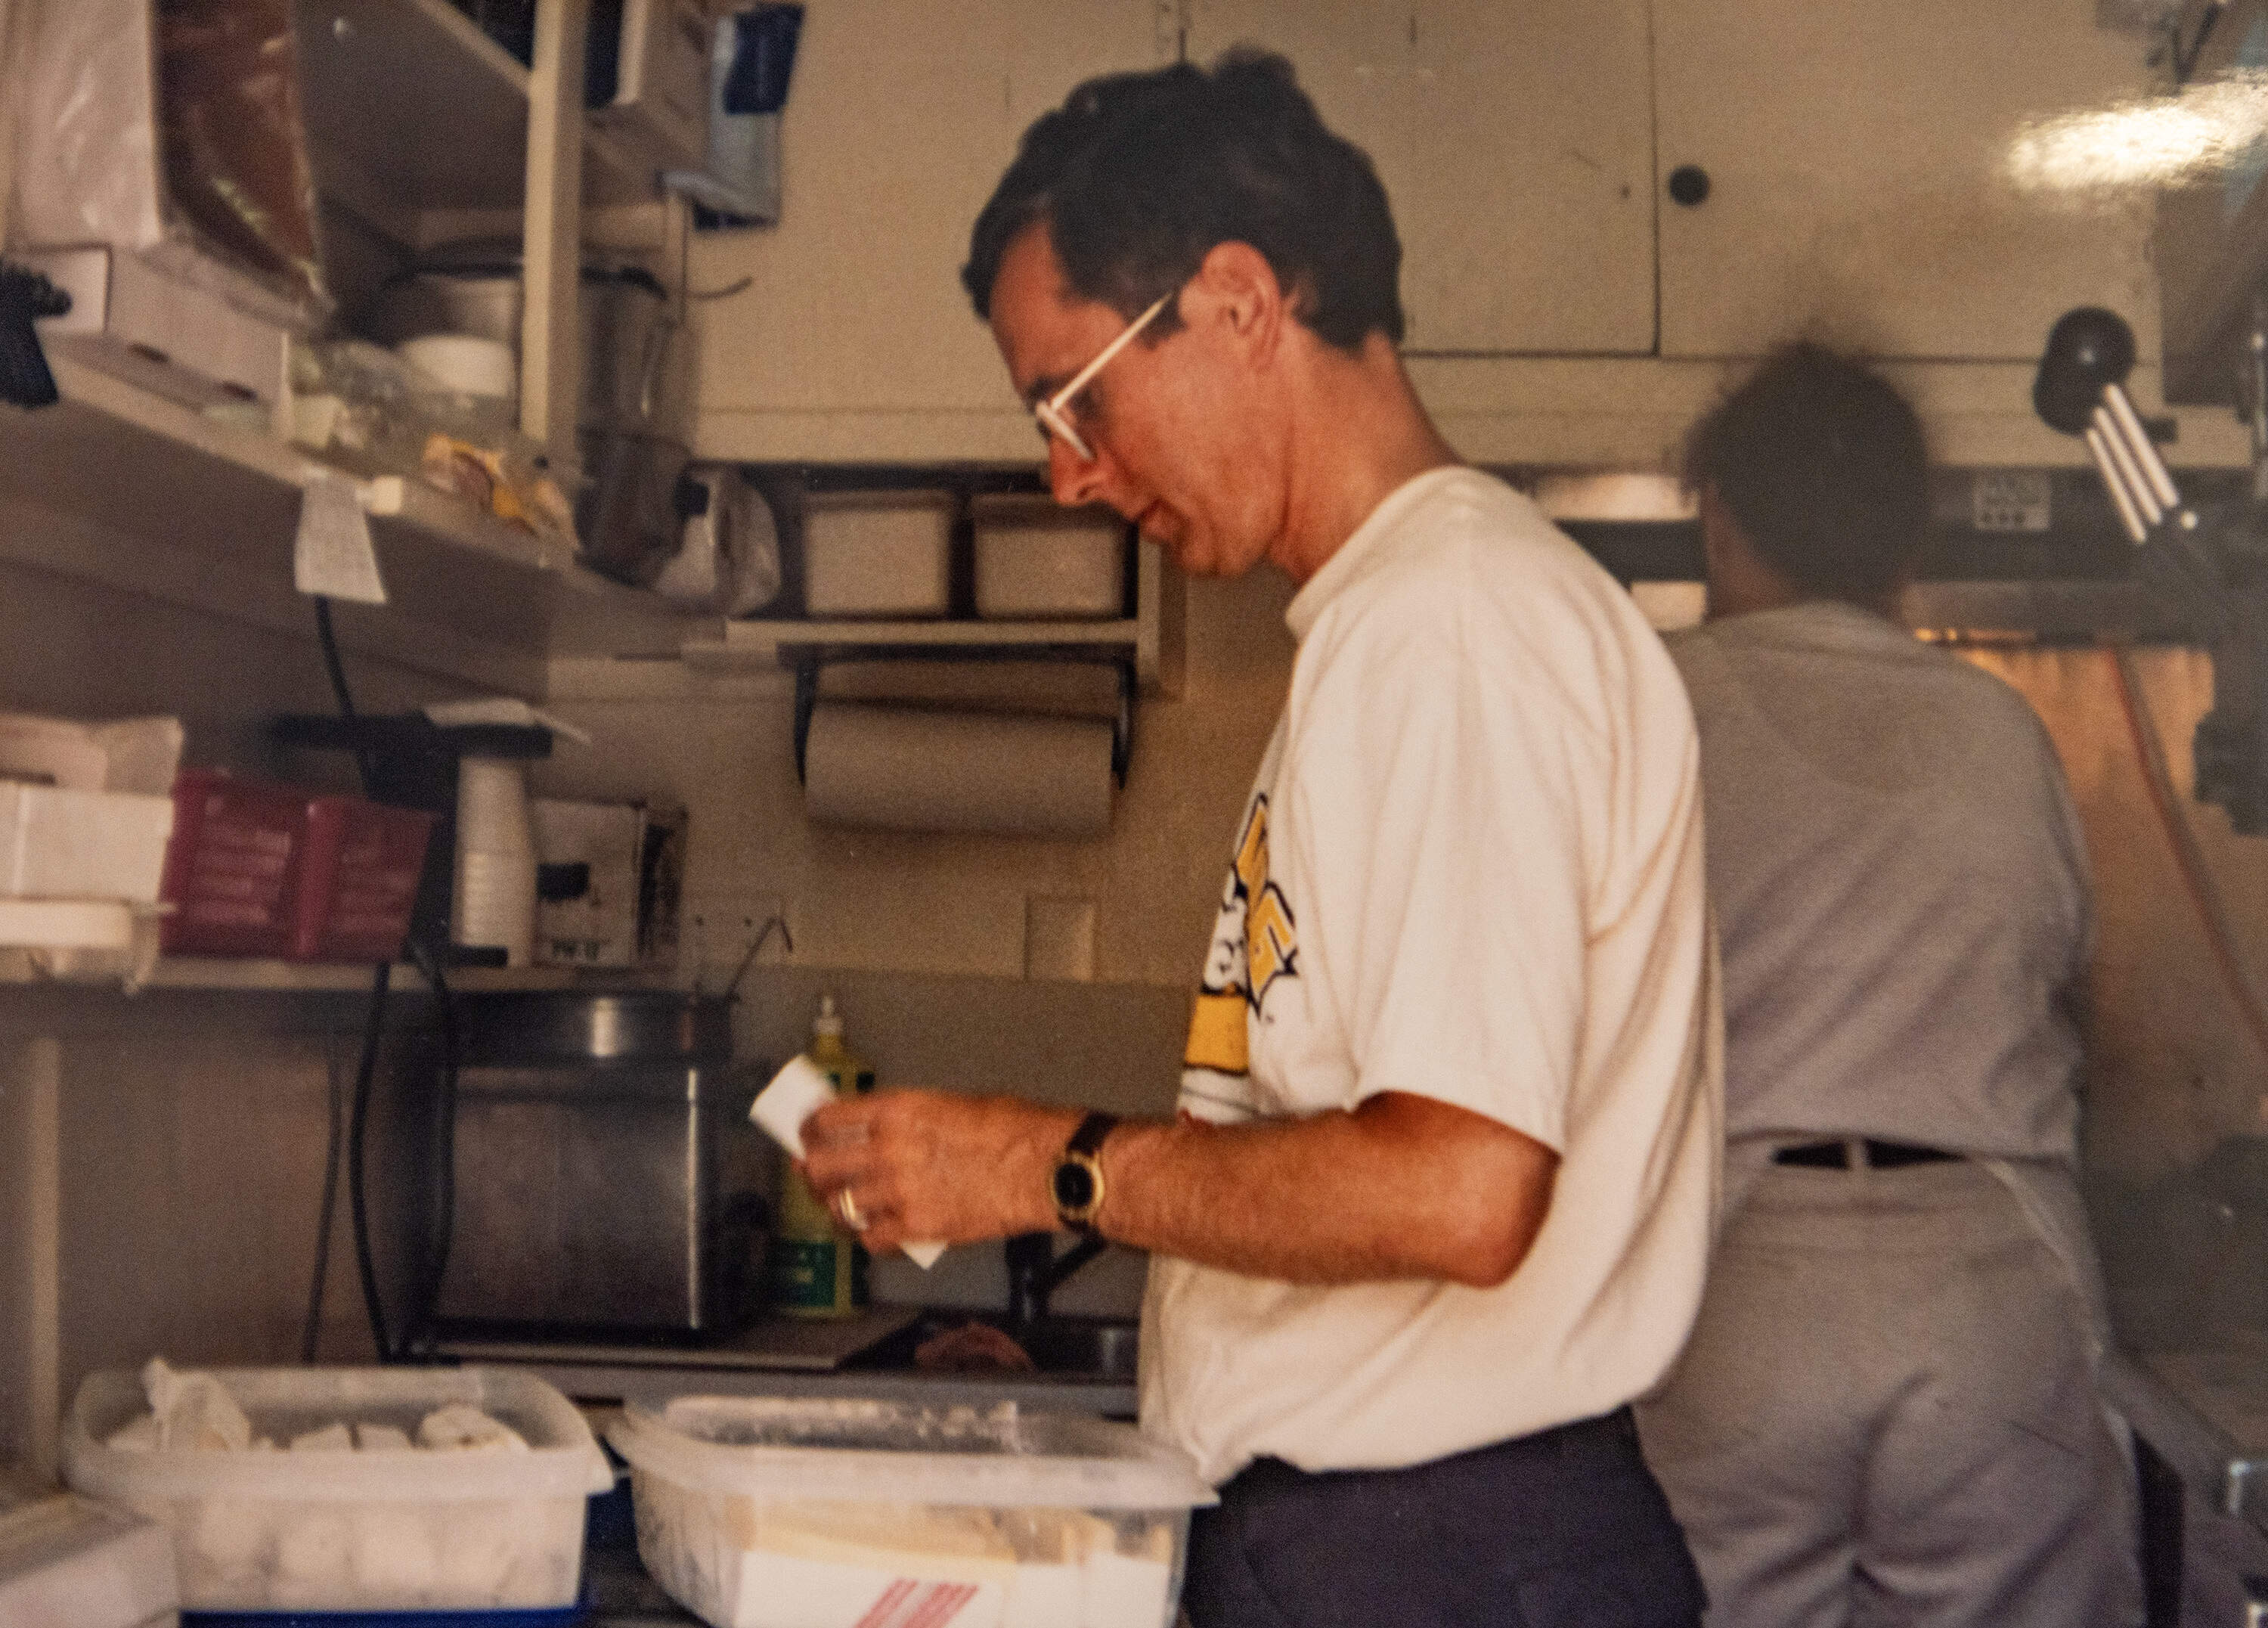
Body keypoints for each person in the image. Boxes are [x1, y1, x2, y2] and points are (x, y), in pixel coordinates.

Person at [801, 51, 1719, 1625]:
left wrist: (1040, 1166)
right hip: (1405, 1547)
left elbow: (1455, 1193)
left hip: (1432, 1559)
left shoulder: (1452, 624)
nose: (1066, 475)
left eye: (1072, 399)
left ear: (1236, 302)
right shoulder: (1398, 623)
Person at [1632, 344, 2143, 1628]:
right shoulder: (2003, 729)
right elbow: (2073, 1009)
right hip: (1987, 1276)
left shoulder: (1652, 705)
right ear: (1906, 540)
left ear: (1718, 516)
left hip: (1726, 1278)